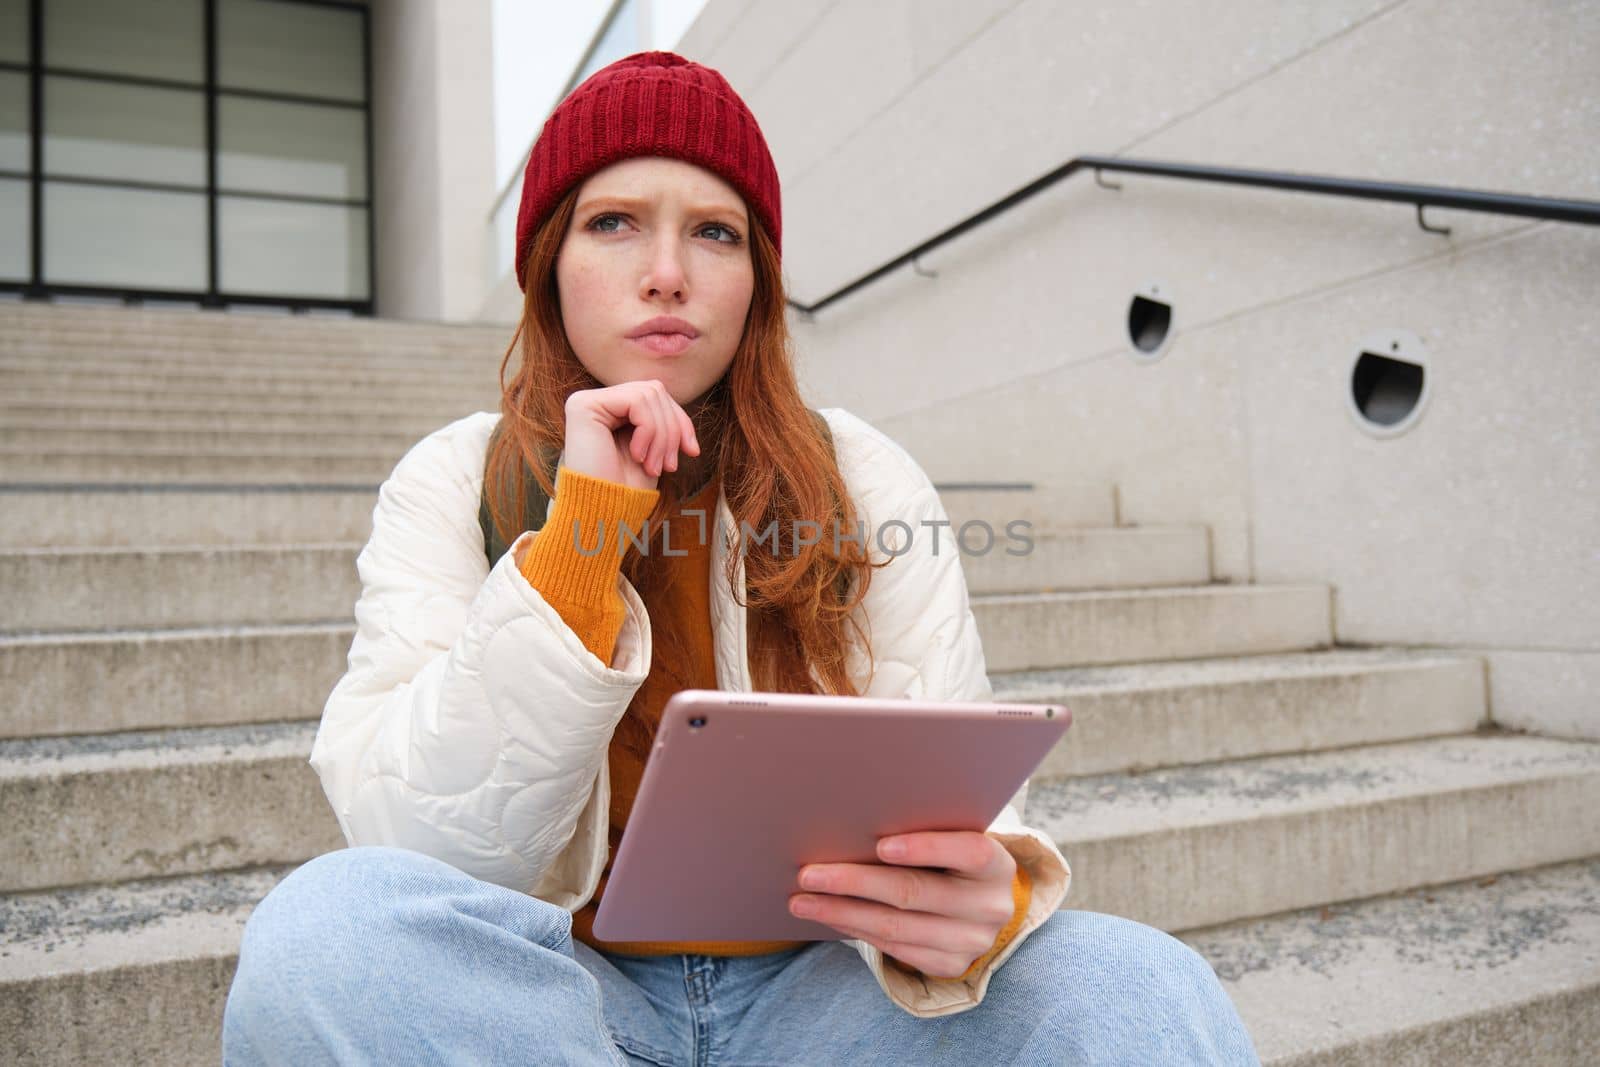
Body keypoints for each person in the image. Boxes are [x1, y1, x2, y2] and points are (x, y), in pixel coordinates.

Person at [221, 50, 1260, 1066]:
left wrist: (979, 902)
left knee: (1139, 985)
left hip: (823, 995)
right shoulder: (453, 478)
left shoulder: (862, 473)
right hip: (560, 998)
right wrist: (580, 535)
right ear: (549, 266)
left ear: (756, 281)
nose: (666, 274)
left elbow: (958, 803)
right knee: (324, 937)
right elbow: (424, 844)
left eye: (713, 233)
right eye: (614, 221)